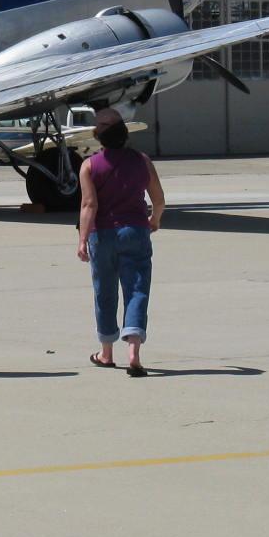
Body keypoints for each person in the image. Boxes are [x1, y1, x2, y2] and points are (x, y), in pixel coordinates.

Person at [78, 108, 166, 378]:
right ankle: (134, 352)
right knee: (137, 289)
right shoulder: (142, 161)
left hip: (102, 235)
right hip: (136, 231)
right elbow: (158, 198)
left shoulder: (90, 166)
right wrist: (155, 219)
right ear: (125, 135)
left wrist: (82, 239)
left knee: (104, 291)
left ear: (97, 136)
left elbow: (89, 205)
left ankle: (106, 352)